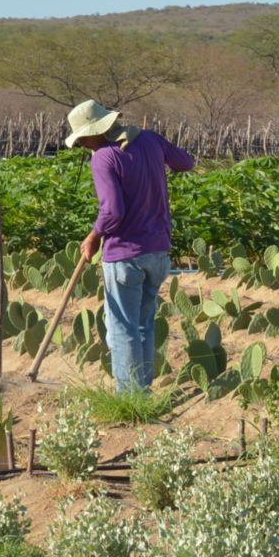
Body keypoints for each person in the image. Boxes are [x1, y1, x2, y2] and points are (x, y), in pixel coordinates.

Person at [65, 99, 195, 393]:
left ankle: (130, 398)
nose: (82, 144)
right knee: (144, 324)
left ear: (97, 131)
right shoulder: (149, 139)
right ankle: (142, 393)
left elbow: (112, 212)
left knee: (122, 328)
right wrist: (151, 157)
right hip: (158, 252)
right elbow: (186, 162)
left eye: (83, 138)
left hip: (125, 255)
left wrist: (93, 236)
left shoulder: (103, 157)